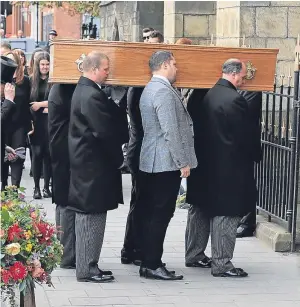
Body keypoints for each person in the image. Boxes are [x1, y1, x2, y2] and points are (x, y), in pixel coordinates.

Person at [186, 58, 253, 278]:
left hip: (203, 163)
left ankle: (194, 254)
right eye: (243, 75)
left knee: (201, 208)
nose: (244, 80)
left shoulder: (204, 94)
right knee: (227, 212)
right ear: (234, 74)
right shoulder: (234, 99)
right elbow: (244, 136)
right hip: (228, 166)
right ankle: (222, 263)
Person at [68, 51, 127, 283]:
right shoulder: (90, 95)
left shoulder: (86, 90)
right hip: (93, 165)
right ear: (93, 69)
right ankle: (87, 268)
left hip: (88, 163)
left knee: (91, 215)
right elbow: (104, 131)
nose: (108, 73)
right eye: (105, 69)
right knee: (91, 216)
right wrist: (118, 156)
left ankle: (89, 264)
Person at [138, 51, 197, 281]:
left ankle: (148, 261)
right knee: (161, 214)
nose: (176, 68)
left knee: (153, 213)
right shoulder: (162, 92)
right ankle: (152, 264)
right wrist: (182, 161)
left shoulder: (150, 88)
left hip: (152, 159)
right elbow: (170, 130)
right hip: (164, 162)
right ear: (164, 65)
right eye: (174, 64)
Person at [121, 33, 164, 266]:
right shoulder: (140, 88)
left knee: (140, 202)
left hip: (141, 149)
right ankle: (133, 249)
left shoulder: (143, 86)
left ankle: (132, 249)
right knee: (142, 203)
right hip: (141, 151)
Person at [48, 83, 77, 269]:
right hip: (64, 150)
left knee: (61, 202)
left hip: (59, 148)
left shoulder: (57, 88)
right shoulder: (64, 90)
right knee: (65, 202)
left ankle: (61, 251)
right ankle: (66, 255)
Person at [1, 51, 31, 189]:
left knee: (17, 157)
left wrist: (31, 124)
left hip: (19, 124)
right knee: (4, 157)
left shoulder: (25, 81)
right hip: (4, 123)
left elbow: (28, 103)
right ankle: (3, 189)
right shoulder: (2, 81)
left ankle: (15, 189)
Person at [236, 90, 262, 238]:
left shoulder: (252, 90)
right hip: (234, 146)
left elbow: (242, 112)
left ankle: (247, 222)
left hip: (245, 147)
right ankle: (239, 219)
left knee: (246, 184)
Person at [29, 51, 52, 199]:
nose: (45, 67)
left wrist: (41, 104)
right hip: (36, 124)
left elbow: (58, 102)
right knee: (37, 155)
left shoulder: (54, 80)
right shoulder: (31, 81)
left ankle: (46, 187)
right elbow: (28, 103)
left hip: (50, 123)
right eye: (42, 64)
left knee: (49, 155)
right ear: (38, 65)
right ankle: (36, 187)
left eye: (47, 64)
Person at [1, 56, 18, 171]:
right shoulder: (6, 100)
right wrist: (8, 101)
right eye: (6, 85)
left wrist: (4, 147)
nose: (9, 89)